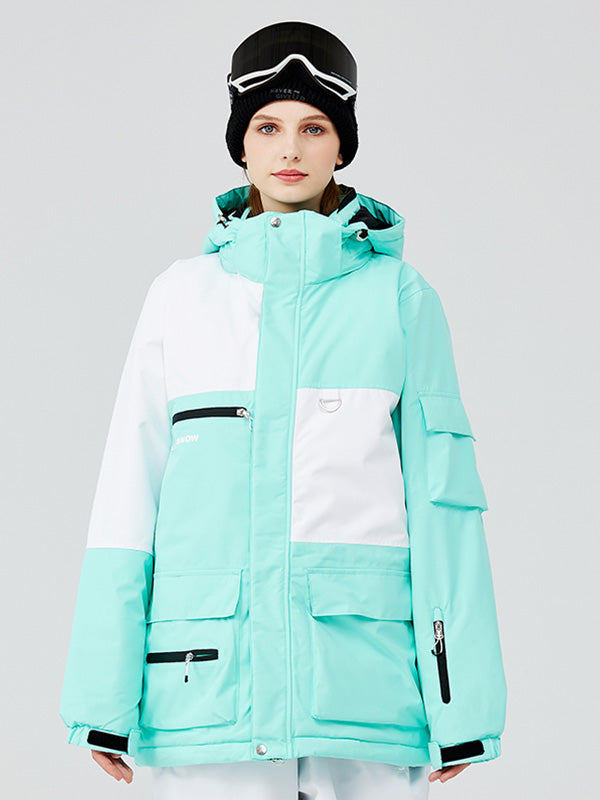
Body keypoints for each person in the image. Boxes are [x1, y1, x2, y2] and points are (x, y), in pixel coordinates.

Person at [59, 20, 507, 800]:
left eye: (314, 128)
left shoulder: (400, 300)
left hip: (363, 694)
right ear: (241, 145)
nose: (289, 149)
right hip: (206, 695)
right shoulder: (181, 298)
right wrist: (102, 697)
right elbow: (129, 497)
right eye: (267, 127)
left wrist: (460, 703)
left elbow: (443, 510)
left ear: (343, 147)